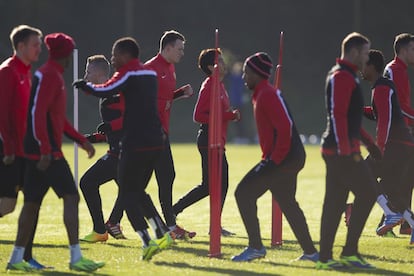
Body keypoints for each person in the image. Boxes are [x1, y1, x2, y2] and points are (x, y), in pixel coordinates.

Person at [6, 33, 104, 272]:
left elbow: (57, 118)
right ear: (65, 53)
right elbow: (37, 114)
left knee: (31, 204)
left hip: (41, 151)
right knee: (71, 197)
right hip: (47, 153)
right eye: (70, 52)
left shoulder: (54, 75)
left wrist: (81, 140)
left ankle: (16, 259)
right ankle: (75, 258)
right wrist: (45, 149)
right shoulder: (49, 75)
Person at [73, 37, 174, 261]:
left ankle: (146, 240)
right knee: (136, 192)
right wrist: (99, 134)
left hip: (132, 146)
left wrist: (87, 88)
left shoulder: (127, 75)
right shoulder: (148, 74)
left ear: (126, 56)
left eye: (115, 54)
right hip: (156, 142)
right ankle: (162, 232)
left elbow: (110, 91)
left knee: (128, 195)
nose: (113, 58)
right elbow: (137, 110)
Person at [231, 52, 318, 262]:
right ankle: (311, 252)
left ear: (258, 74)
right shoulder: (262, 93)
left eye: (247, 73)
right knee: (287, 202)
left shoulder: (267, 94)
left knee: (243, 193)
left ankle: (255, 247)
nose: (244, 77)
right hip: (289, 157)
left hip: (283, 158)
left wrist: (273, 161)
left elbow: (285, 127)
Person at [317, 32, 378, 270]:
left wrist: (369, 143)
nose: (367, 58)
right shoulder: (342, 76)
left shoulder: (347, 75)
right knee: (368, 193)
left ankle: (325, 258)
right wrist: (348, 151)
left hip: (339, 149)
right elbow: (338, 116)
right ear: (353, 52)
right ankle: (349, 252)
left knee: (334, 203)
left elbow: (352, 120)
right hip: (341, 151)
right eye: (365, 53)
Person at [173, 48, 240, 236]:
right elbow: (198, 116)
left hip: (218, 140)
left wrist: (231, 115)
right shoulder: (209, 85)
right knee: (215, 184)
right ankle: (179, 213)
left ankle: (176, 212)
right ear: (211, 67)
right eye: (220, 61)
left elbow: (218, 112)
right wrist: (228, 115)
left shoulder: (220, 85)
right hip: (208, 139)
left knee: (211, 186)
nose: (225, 64)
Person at [0, 25, 49, 270]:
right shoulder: (7, 71)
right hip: (9, 152)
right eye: (35, 44)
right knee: (7, 205)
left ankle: (25, 258)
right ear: (20, 47)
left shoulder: (28, 72)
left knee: (32, 200)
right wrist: (8, 148)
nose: (39, 48)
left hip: (27, 149)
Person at [144, 30, 195, 239]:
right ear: (168, 48)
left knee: (165, 177)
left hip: (162, 132)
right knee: (139, 182)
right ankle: (168, 227)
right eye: (180, 48)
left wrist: (179, 94)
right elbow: (143, 102)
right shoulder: (149, 69)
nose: (182, 53)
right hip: (150, 134)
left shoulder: (171, 68)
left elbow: (162, 97)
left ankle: (170, 227)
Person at [362, 49, 414, 245]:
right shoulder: (382, 87)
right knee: (392, 190)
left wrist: (379, 147)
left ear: (372, 66)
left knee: (363, 174)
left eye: (364, 65)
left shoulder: (382, 87)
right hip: (404, 144)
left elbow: (385, 119)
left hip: (395, 145)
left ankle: (390, 213)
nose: (361, 69)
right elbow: (381, 112)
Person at [79, 55, 126, 242]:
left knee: (87, 183)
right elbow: (112, 131)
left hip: (121, 154)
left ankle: (101, 229)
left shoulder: (113, 93)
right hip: (120, 152)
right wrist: (92, 138)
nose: (86, 75)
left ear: (99, 73)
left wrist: (111, 127)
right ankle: (112, 223)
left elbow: (130, 118)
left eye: (88, 72)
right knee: (132, 194)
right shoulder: (106, 93)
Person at [380, 33, 414, 236]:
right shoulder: (395, 71)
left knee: (405, 179)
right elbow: (398, 107)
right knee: (395, 180)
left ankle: (403, 223)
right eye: (413, 49)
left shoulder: (400, 70)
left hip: (404, 133)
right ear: (402, 50)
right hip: (399, 135)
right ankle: (397, 219)